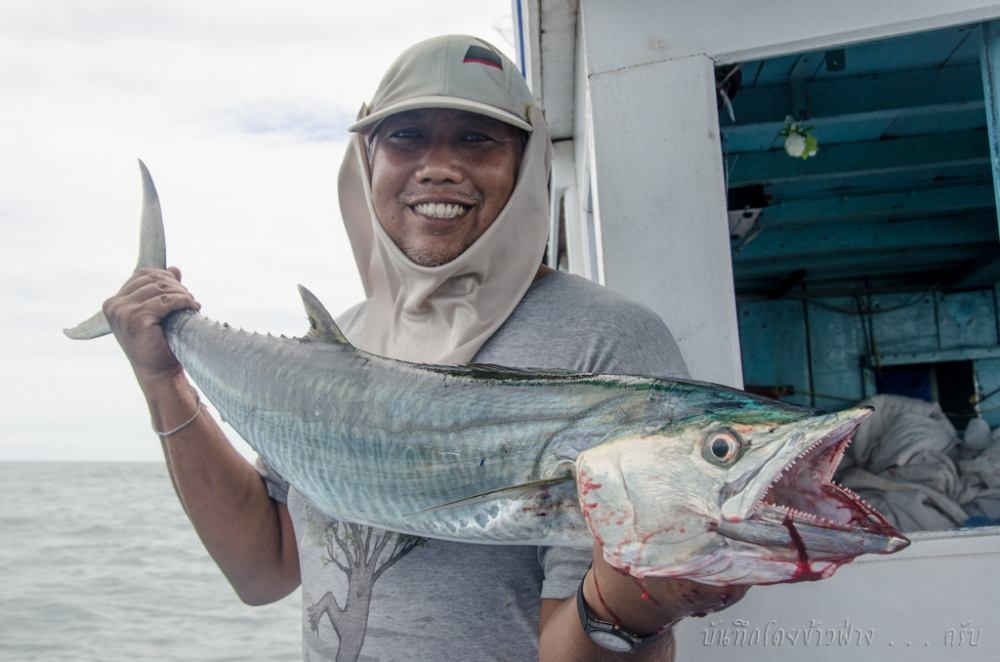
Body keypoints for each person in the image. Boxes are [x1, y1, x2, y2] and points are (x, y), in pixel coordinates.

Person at [103, 35, 745, 661]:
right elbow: (263, 568)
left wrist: (635, 608)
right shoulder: (342, 341)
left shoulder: (604, 344)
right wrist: (162, 378)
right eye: (406, 137)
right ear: (368, 162)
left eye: (476, 139)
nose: (439, 166)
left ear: (526, 166)